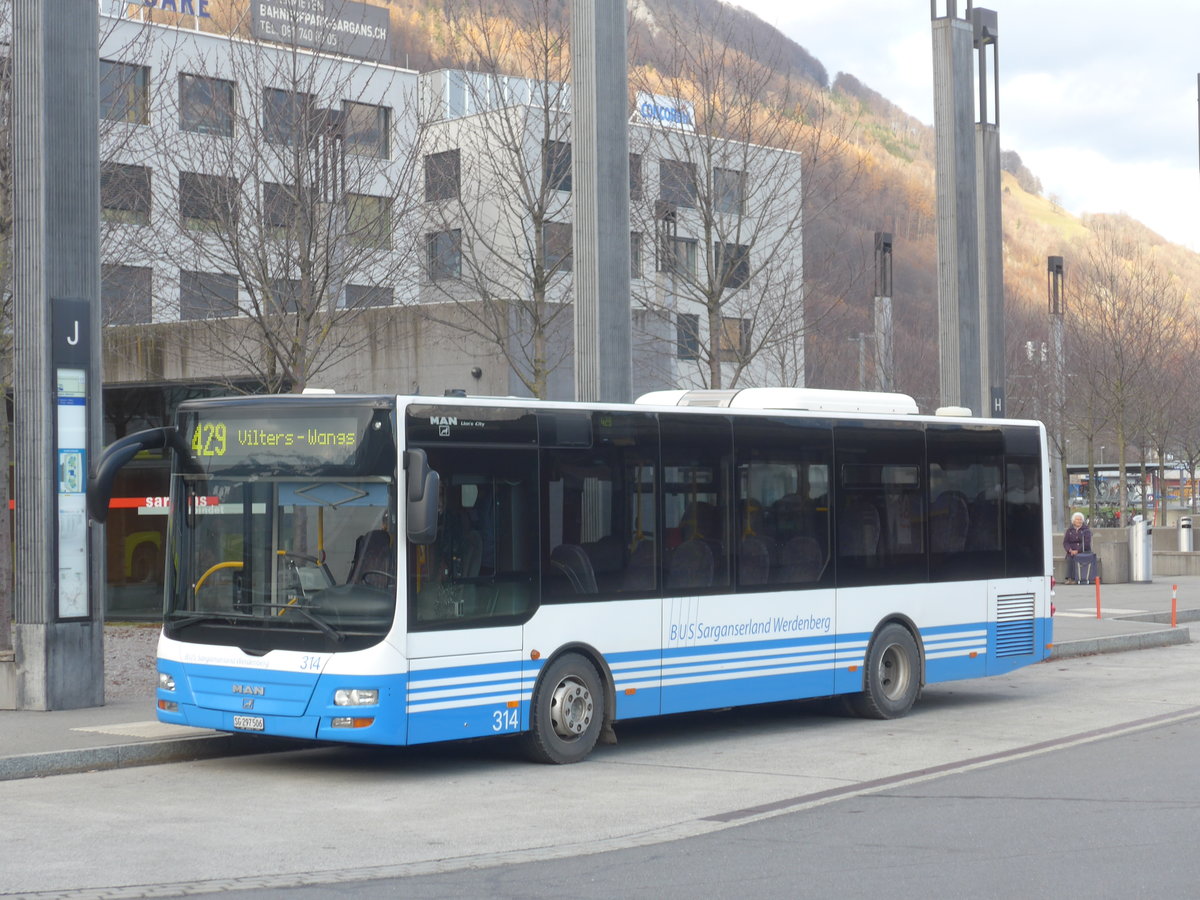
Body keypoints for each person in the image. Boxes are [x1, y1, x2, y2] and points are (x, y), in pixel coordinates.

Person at [1063, 512, 1093, 583]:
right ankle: (1069, 578)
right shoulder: (1069, 530)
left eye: (1080, 520)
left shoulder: (1086, 530)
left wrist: (1077, 551)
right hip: (1071, 551)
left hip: (1083, 550)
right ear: (1073, 521)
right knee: (1070, 557)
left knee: (1076, 557)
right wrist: (1069, 550)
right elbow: (1065, 542)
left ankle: (1075, 578)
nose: (1079, 521)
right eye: (1077, 520)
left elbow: (1086, 543)